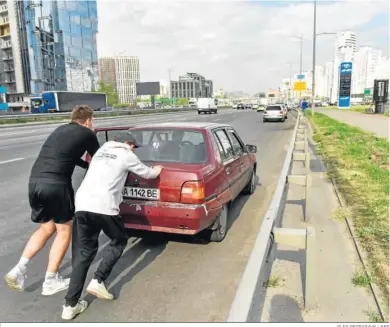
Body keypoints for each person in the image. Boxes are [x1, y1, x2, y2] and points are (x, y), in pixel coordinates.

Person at [62, 131, 163, 320]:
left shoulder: (100, 151)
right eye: (134, 146)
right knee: (119, 240)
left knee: (83, 255)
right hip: (105, 206)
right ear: (128, 144)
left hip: (82, 205)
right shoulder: (126, 155)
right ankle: (98, 280)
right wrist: (158, 169)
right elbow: (148, 174)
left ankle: (70, 305)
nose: (134, 149)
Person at [4, 105, 100, 296]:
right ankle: (50, 280)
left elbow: (66, 156)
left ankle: (18, 270)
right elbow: (99, 158)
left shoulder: (60, 130)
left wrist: (83, 164)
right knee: (64, 230)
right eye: (93, 121)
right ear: (88, 120)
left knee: (46, 228)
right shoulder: (88, 134)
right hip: (56, 185)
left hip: (35, 183)